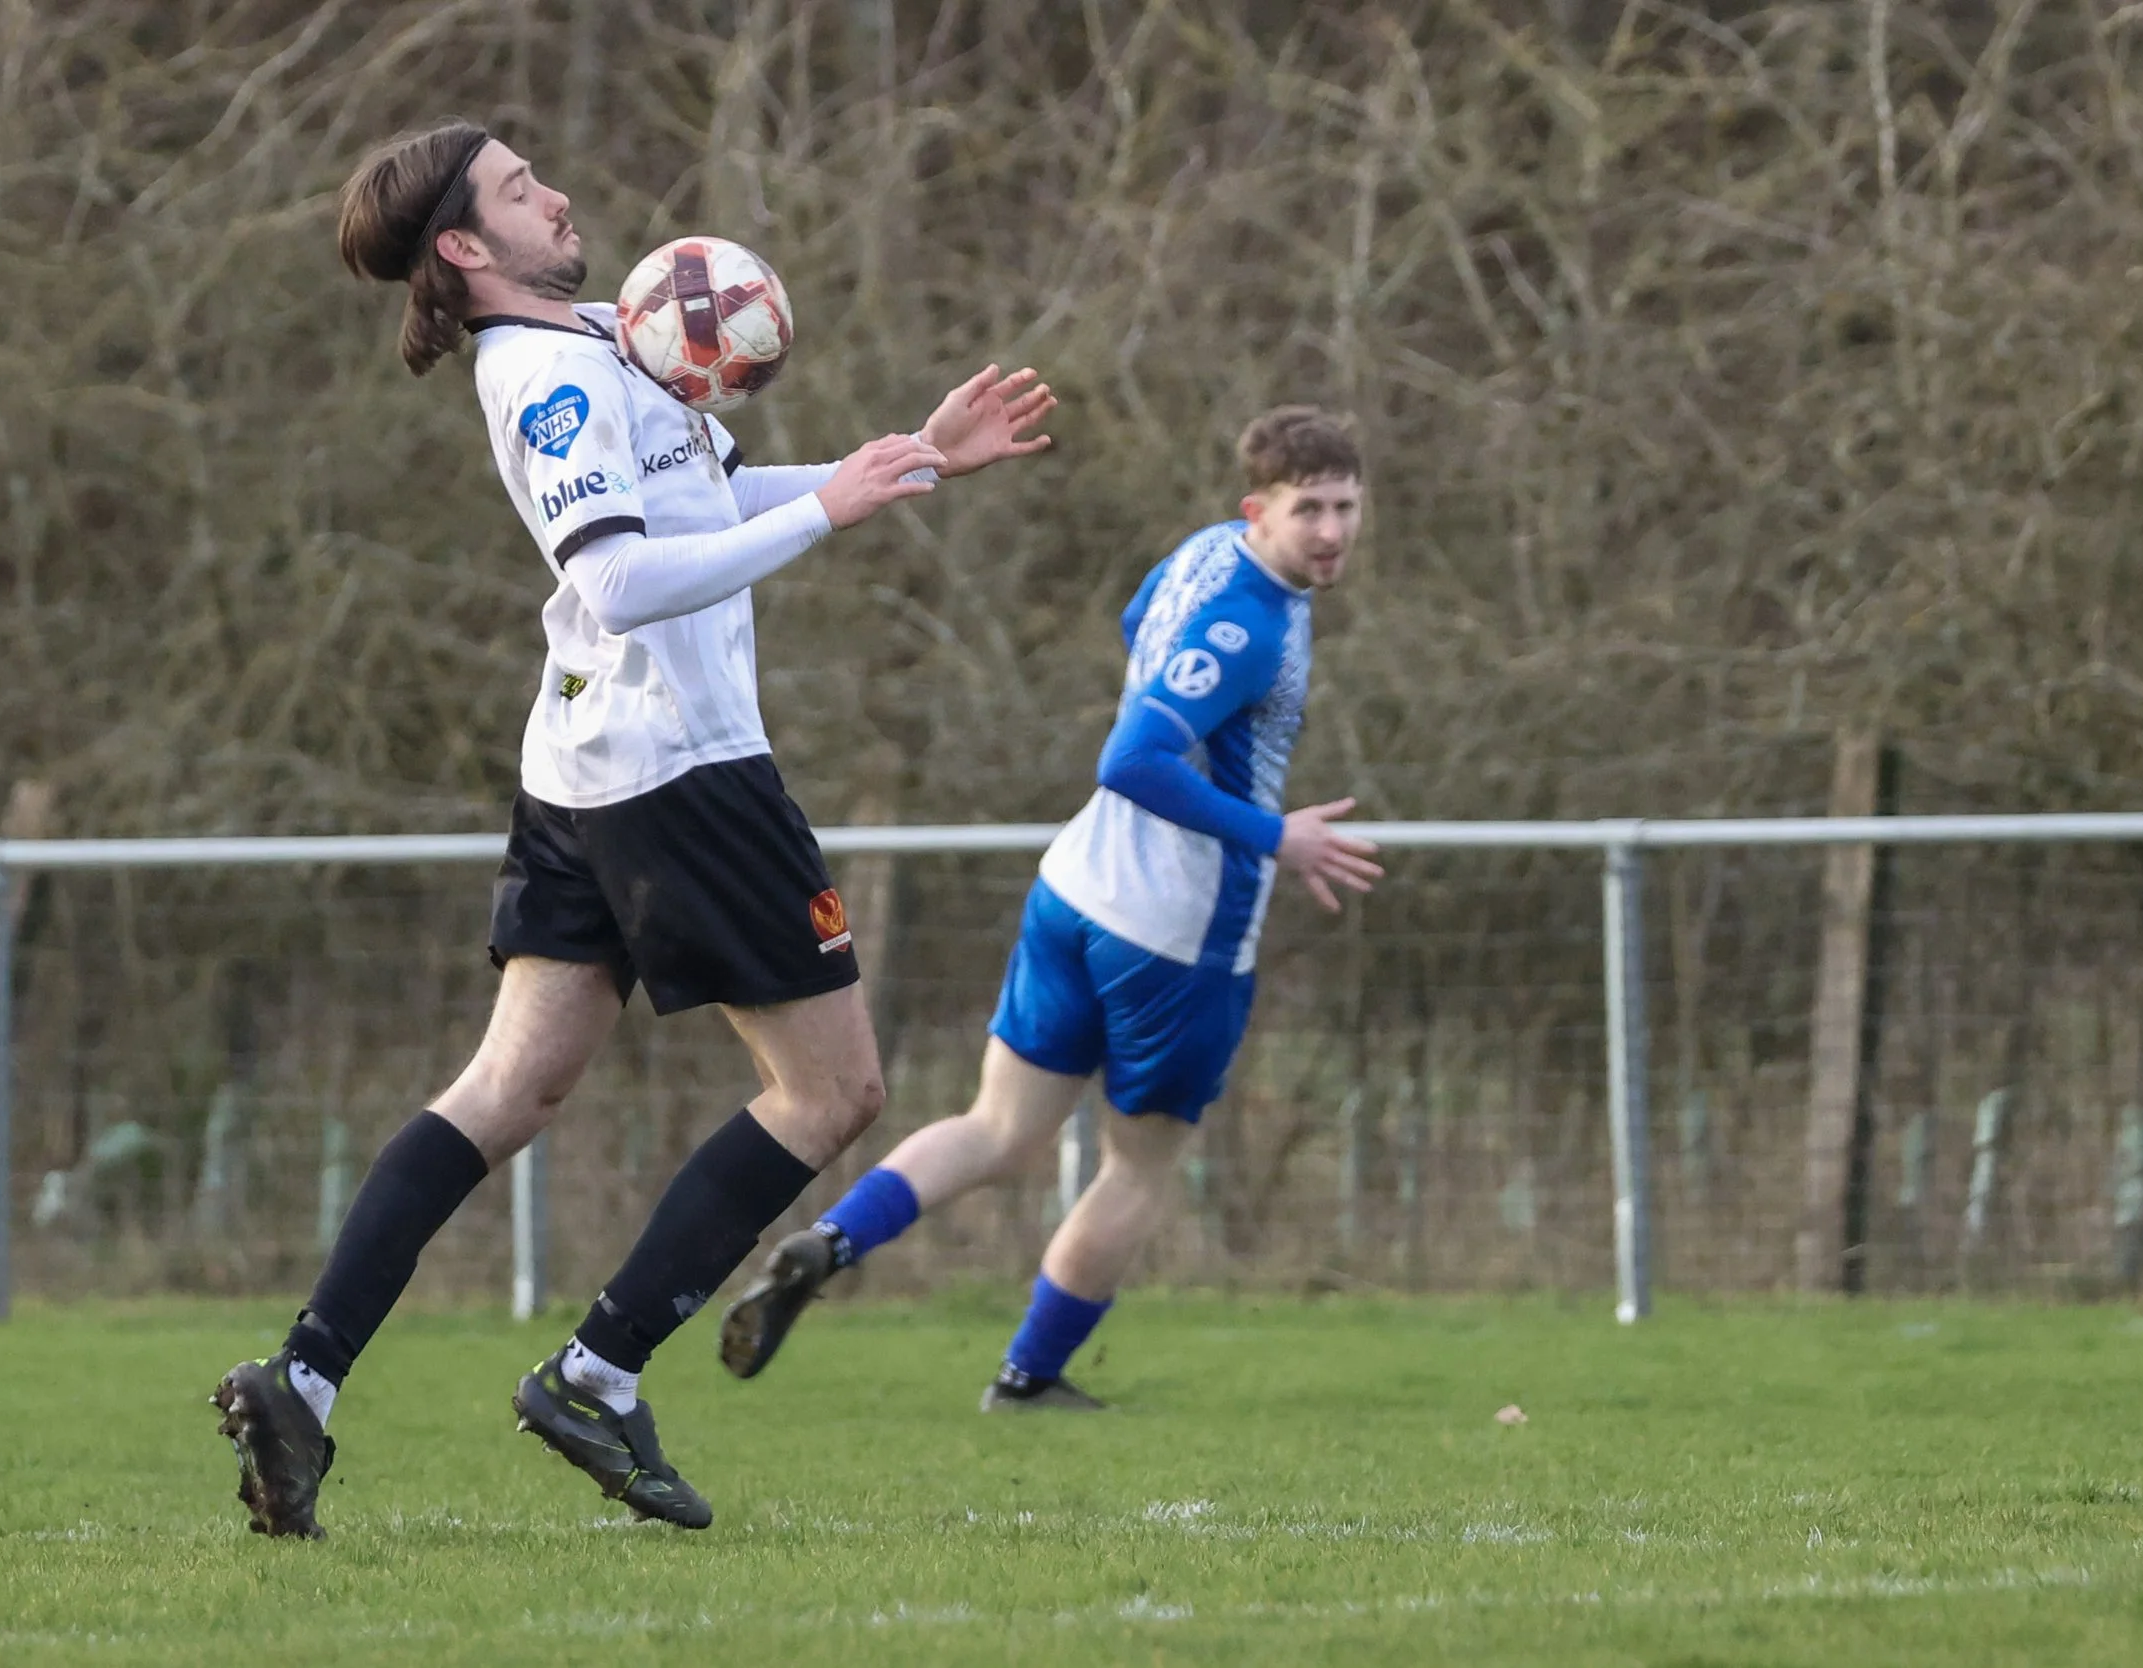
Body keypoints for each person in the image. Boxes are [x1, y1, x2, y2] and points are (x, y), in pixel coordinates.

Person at [209, 118, 1055, 1539]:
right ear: (466, 247)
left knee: (511, 1088)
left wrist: (907, 462)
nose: (556, 195)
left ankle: (304, 1378)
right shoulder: (542, 377)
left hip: (586, 765)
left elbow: (704, 501)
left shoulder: (609, 328)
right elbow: (617, 580)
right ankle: (597, 1373)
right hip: (682, 772)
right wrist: (831, 511)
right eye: (519, 189)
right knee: (833, 1092)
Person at [718, 406, 1380, 1408]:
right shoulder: (1250, 626)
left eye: (1344, 507)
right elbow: (1131, 759)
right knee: (1139, 1168)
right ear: (1261, 509)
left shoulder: (1207, 552)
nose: (1330, 531)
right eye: (1309, 510)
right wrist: (1274, 835)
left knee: (998, 1129)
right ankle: (1029, 1377)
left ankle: (830, 1241)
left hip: (1074, 889)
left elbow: (1138, 626)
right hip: (1178, 934)